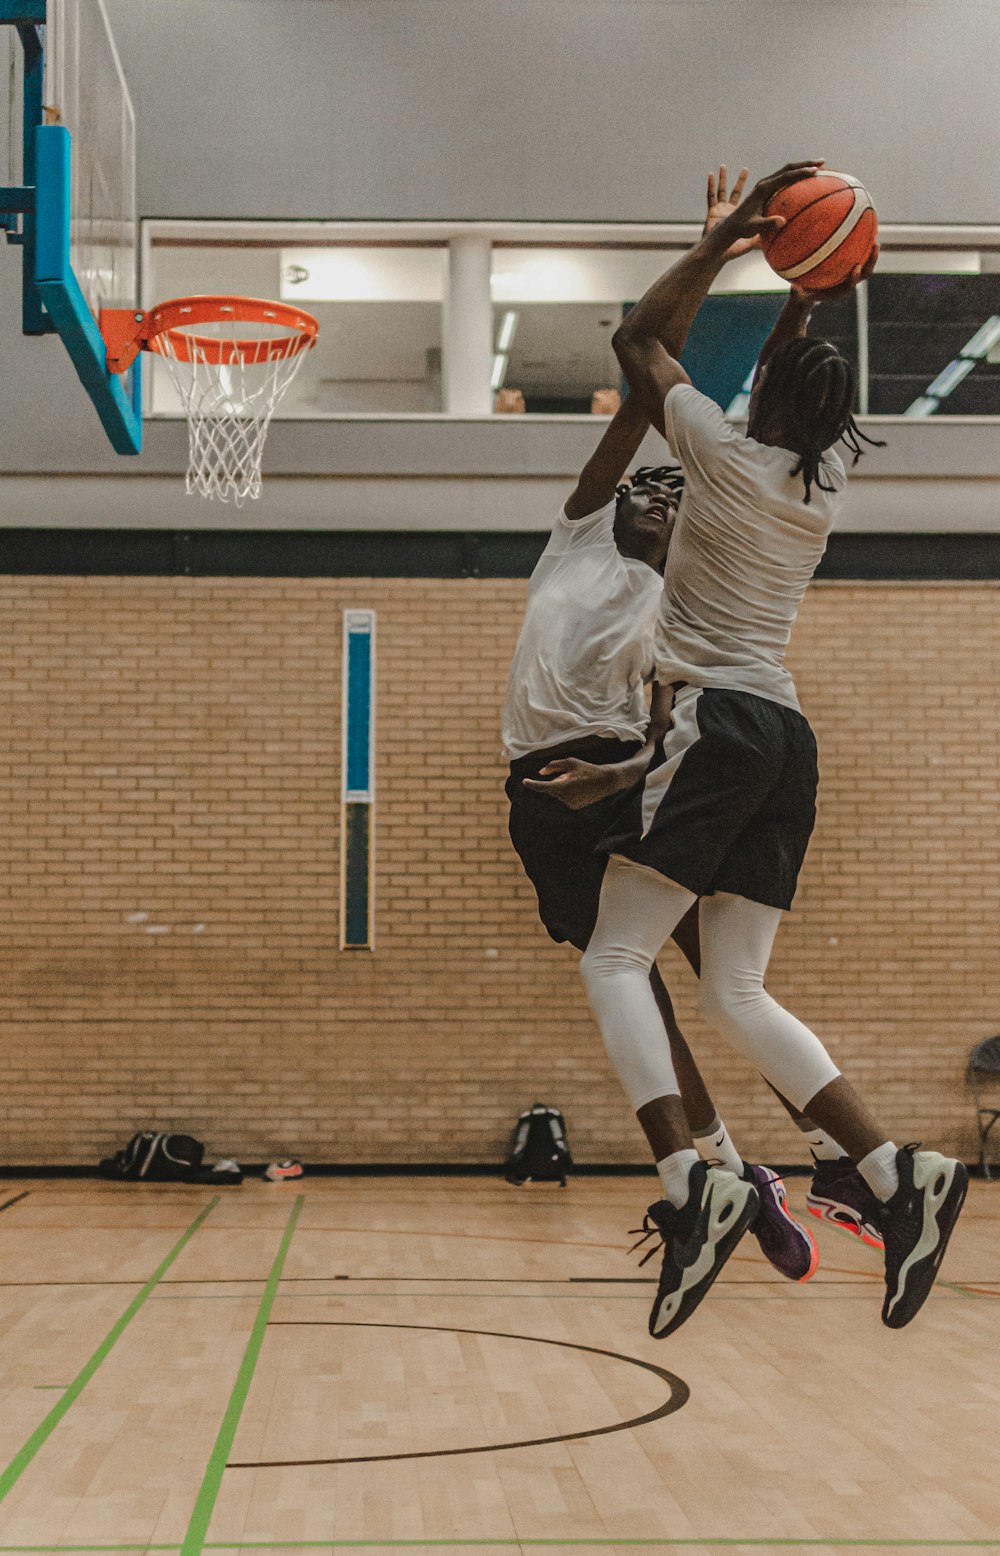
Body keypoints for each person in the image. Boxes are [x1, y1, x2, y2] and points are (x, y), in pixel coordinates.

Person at [569, 159, 967, 1337]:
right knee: (735, 982)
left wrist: (726, 246)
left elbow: (640, 341)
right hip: (786, 733)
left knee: (613, 955)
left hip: (718, 719)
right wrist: (805, 279)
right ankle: (894, 1170)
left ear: (762, 406)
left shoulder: (722, 456)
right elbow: (793, 383)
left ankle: (696, 1178)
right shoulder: (821, 469)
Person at [503, 170, 828, 1285]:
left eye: (671, 493)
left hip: (632, 772)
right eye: (642, 488)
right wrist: (719, 255)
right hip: (539, 784)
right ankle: (738, 1168)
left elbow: (666, 722)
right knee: (636, 981)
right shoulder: (580, 535)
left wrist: (630, 772)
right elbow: (644, 378)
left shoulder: (683, 600)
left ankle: (794, 1156)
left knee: (685, 966)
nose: (655, 494)